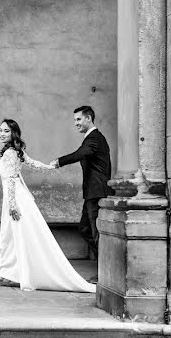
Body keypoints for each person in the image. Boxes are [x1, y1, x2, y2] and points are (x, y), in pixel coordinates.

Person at [0, 119, 95, 293]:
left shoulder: (11, 153)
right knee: (11, 236)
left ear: (14, 133)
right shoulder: (15, 151)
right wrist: (50, 167)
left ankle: (9, 274)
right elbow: (33, 163)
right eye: (0, 130)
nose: (1, 134)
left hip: (16, 199)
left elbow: (12, 179)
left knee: (12, 236)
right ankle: (6, 273)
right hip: (15, 197)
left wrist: (12, 205)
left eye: (6, 131)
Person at [49, 106, 113, 274]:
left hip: (96, 192)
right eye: (74, 120)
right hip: (92, 192)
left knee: (96, 232)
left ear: (89, 118)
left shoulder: (94, 138)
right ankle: (103, 266)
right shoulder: (92, 138)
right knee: (85, 229)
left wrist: (59, 161)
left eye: (78, 119)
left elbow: (80, 154)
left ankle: (105, 273)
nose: (75, 123)